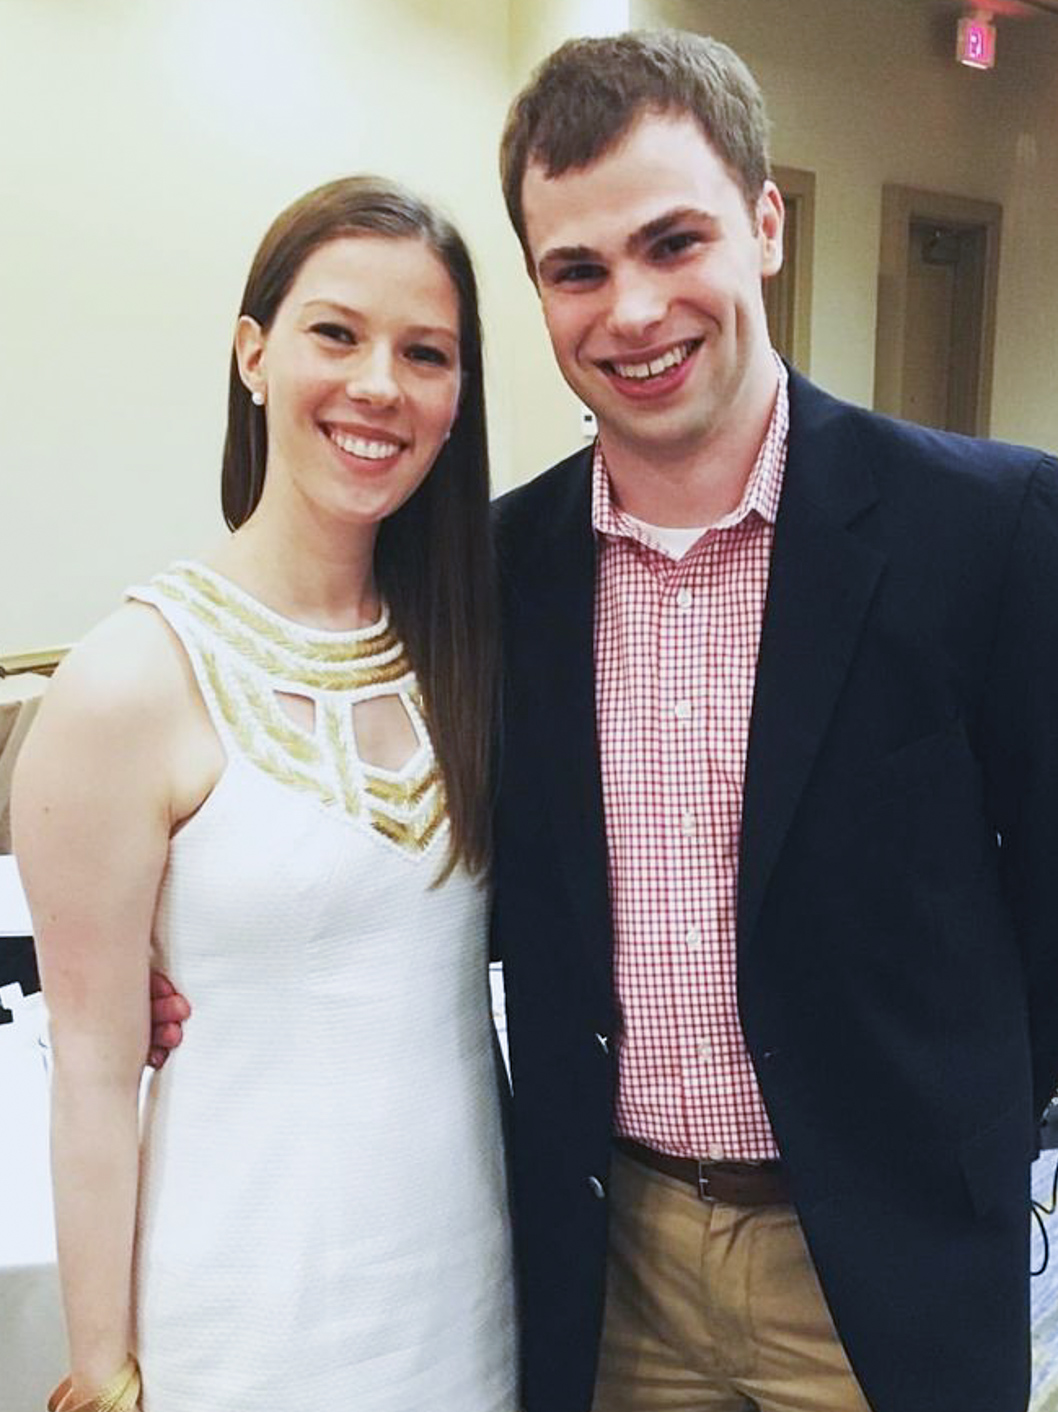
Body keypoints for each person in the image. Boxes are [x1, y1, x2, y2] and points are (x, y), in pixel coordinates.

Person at [487, 28, 1058, 1412]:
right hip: (606, 1260)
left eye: (671, 242)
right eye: (577, 268)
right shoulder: (499, 571)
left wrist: (961, 1131)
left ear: (763, 224)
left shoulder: (985, 527)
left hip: (879, 1258)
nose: (629, 310)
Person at [13, 176, 516, 1412]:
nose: (378, 387)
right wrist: (101, 1371)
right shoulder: (130, 678)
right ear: (252, 354)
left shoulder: (478, 642)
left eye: (425, 353)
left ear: (459, 399)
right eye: (334, 333)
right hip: (238, 1309)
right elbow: (87, 1066)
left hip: (468, 1295)